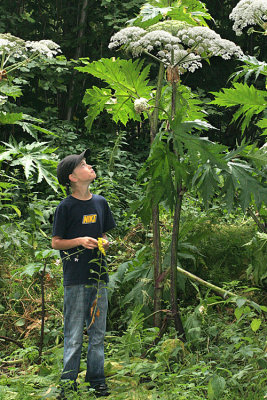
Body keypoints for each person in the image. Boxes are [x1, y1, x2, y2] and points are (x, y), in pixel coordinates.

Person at [52, 149, 116, 398]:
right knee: (74, 334)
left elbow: (105, 234)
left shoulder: (100, 202)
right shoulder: (65, 207)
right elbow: (56, 242)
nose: (89, 167)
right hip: (75, 278)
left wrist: (103, 242)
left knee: (98, 333)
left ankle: (96, 381)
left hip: (99, 277)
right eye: (83, 165)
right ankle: (68, 385)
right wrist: (78, 240)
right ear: (72, 177)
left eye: (88, 163)